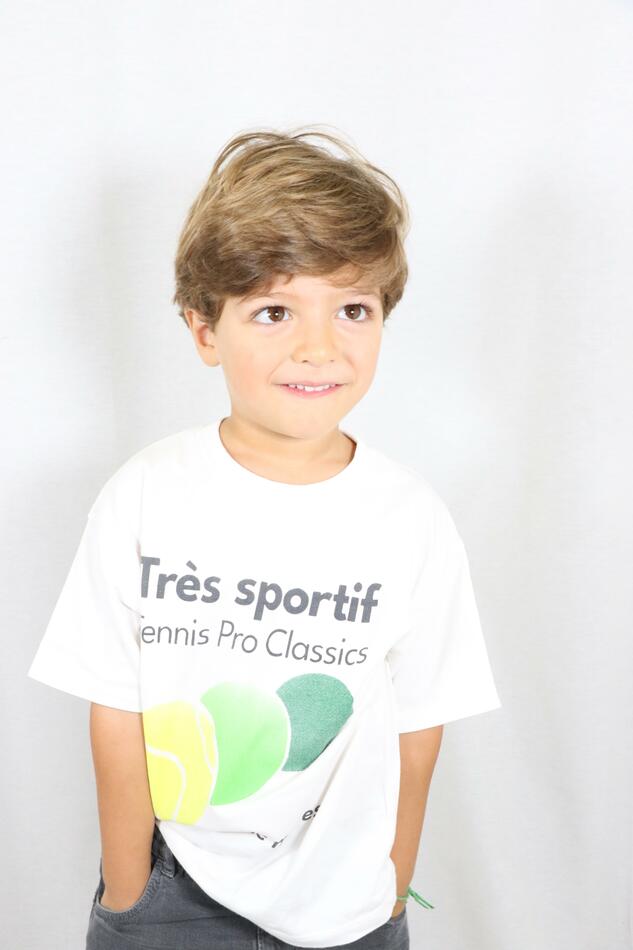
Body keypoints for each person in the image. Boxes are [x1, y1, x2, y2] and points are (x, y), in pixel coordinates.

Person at [26, 126, 502, 950]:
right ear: (205, 330)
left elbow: (420, 721)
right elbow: (115, 705)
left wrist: (390, 886)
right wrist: (131, 893)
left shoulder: (410, 518)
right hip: (172, 894)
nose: (318, 347)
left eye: (352, 309)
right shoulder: (146, 493)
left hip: (346, 899)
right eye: (274, 311)